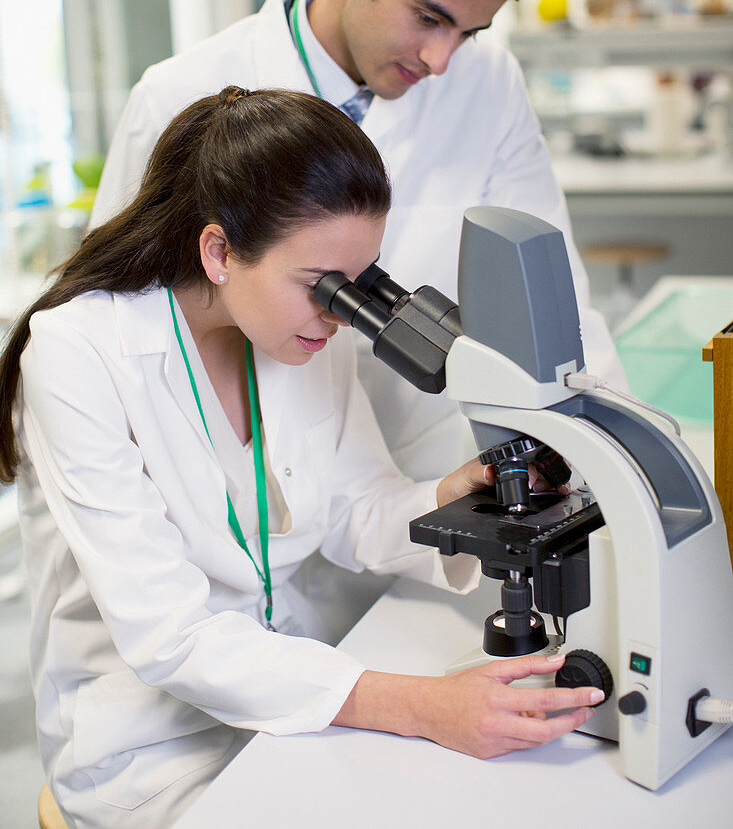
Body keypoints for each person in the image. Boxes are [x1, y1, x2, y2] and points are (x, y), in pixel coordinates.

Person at [0, 87, 602, 829]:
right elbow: (170, 636)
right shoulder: (79, 353)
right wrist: (423, 707)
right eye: (319, 285)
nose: (338, 313)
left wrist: (463, 492)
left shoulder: (298, 332)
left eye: (354, 283)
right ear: (219, 251)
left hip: (299, 694)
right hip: (152, 746)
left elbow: (355, 510)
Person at [91, 0, 625, 494]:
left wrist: (605, 461)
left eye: (467, 33)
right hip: (252, 497)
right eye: (428, 17)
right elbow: (117, 336)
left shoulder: (485, 83)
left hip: (429, 473)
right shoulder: (183, 92)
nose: (440, 60)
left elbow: (548, 285)